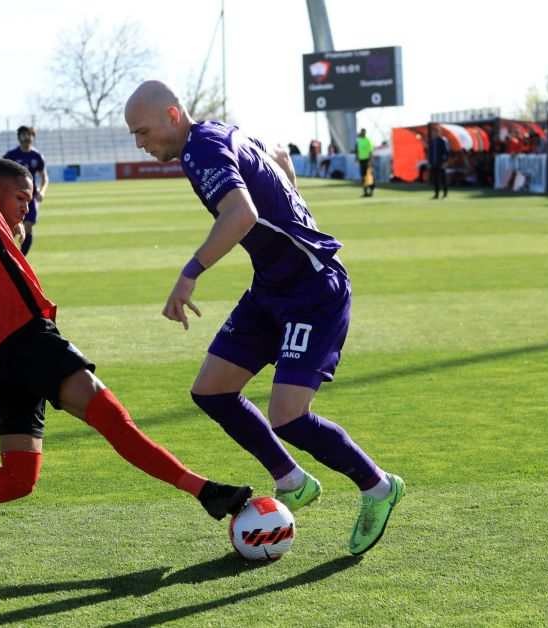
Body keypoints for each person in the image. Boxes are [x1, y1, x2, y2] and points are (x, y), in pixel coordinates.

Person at [0, 40, 252, 559]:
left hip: (1, 362)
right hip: (30, 339)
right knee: (114, 419)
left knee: (19, 475)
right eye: (21, 198)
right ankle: (205, 491)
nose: (25, 209)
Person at [125, 80, 404, 556]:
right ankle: (291, 480)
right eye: (134, 136)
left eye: (144, 131)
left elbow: (241, 215)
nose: (141, 143)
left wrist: (189, 274)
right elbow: (273, 157)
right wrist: (290, 186)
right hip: (271, 287)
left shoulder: (201, 151)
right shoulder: (215, 135)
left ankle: (379, 487)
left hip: (312, 290)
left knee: (288, 416)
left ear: (173, 115)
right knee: (211, 390)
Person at [3, 125, 48, 255]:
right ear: (19, 138)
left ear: (33, 137)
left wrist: (42, 191)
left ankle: (21, 259)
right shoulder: (11, 155)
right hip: (13, 198)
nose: (26, 137)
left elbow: (44, 177)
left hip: (30, 198)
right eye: (23, 135)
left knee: (28, 227)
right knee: (11, 228)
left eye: (29, 135)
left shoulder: (37, 156)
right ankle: (6, 256)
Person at [429, 126, 449, 199]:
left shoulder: (443, 140)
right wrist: (430, 162)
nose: (434, 133)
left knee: (443, 179)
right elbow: (430, 153)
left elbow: (446, 152)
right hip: (434, 163)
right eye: (434, 132)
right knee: (435, 180)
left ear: (439, 132)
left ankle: (445, 194)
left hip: (441, 163)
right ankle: (436, 194)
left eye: (436, 131)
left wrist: (445, 162)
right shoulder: (432, 141)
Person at [355, 128, 374, 197]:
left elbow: (370, 151)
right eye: (361, 133)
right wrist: (357, 158)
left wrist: (370, 161)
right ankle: (365, 192)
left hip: (367, 160)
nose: (362, 134)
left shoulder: (368, 141)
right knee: (363, 177)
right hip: (361, 161)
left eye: (363, 133)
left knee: (369, 177)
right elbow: (357, 150)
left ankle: (371, 192)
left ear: (365, 133)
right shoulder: (359, 141)